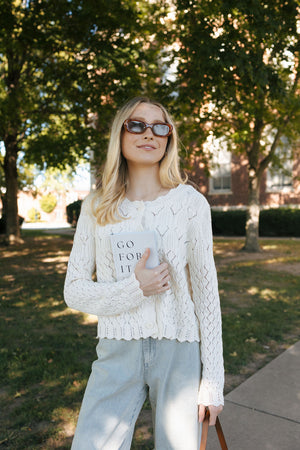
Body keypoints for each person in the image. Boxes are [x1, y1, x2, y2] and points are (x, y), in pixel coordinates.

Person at [64, 97, 224, 450]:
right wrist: (136, 288)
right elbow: (73, 290)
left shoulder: (190, 203)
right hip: (116, 347)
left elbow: (207, 295)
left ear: (169, 139)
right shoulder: (96, 205)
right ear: (119, 135)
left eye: (160, 127)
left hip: (178, 349)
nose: (149, 133)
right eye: (137, 125)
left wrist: (213, 380)